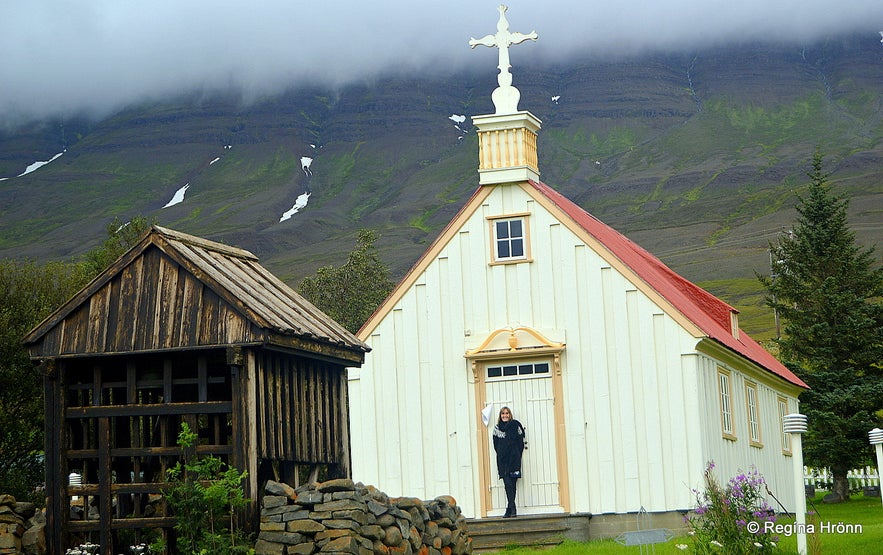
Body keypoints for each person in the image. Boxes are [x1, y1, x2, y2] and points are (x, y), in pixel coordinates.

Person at [492, 406, 526, 518]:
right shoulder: (497, 428)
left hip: (514, 460)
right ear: (500, 415)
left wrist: (516, 453)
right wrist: (502, 453)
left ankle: (509, 509)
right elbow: (495, 444)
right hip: (502, 461)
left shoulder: (515, 426)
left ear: (509, 415)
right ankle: (513, 507)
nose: (505, 415)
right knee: (507, 484)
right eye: (503, 413)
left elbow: (521, 442)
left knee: (513, 484)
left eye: (507, 413)